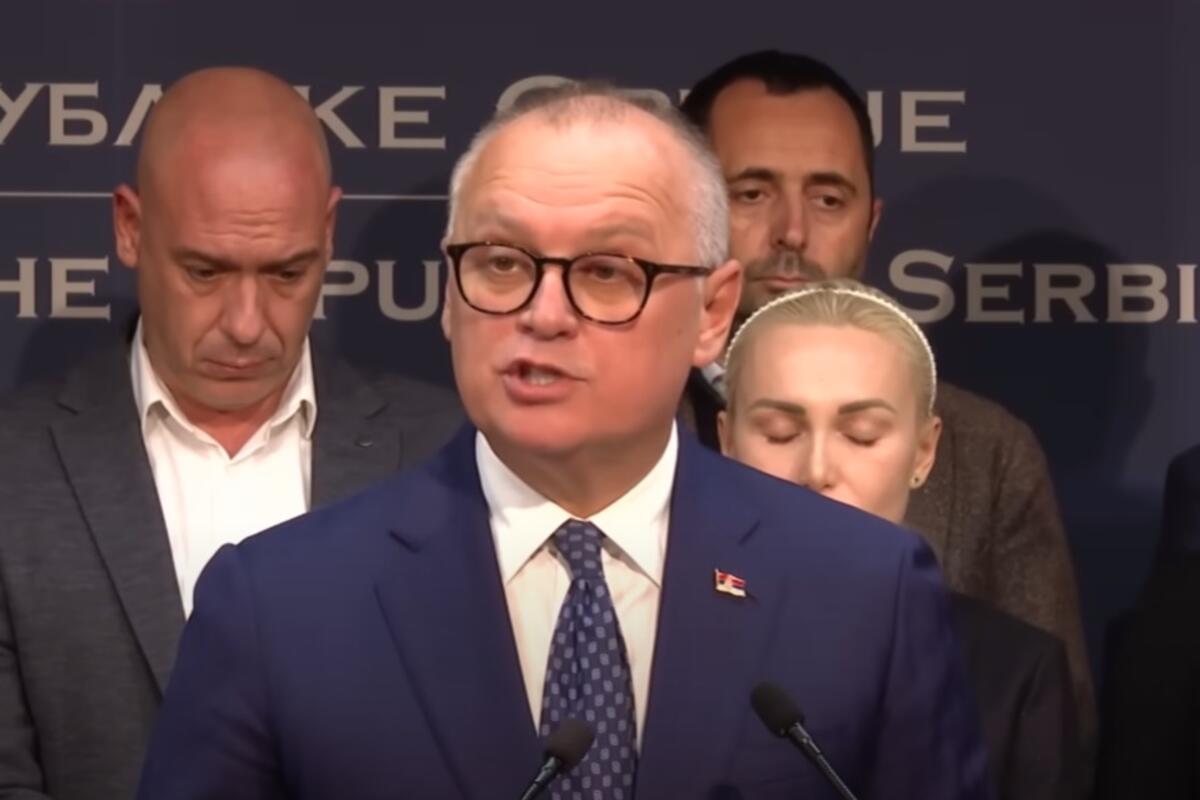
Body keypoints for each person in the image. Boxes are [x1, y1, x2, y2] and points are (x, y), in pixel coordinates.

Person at [137, 83, 991, 799]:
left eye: (606, 272)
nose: (543, 315)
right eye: (502, 263)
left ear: (713, 311)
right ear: (449, 293)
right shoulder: (279, 607)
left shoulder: (866, 593)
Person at [0, 67, 459, 800]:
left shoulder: (448, 458)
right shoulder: (14, 471)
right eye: (205, 272)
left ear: (328, 232)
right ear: (130, 228)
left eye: (286, 274)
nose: (247, 324)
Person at [680, 50, 1096, 748]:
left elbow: (1046, 733)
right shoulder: (618, 439)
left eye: (828, 199)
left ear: (870, 224)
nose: (792, 231)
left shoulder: (989, 452)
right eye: (751, 194)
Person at [719, 279, 1082, 799]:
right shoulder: (651, 646)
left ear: (924, 452)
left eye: (861, 435)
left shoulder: (1014, 677)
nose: (817, 471)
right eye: (780, 432)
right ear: (727, 442)